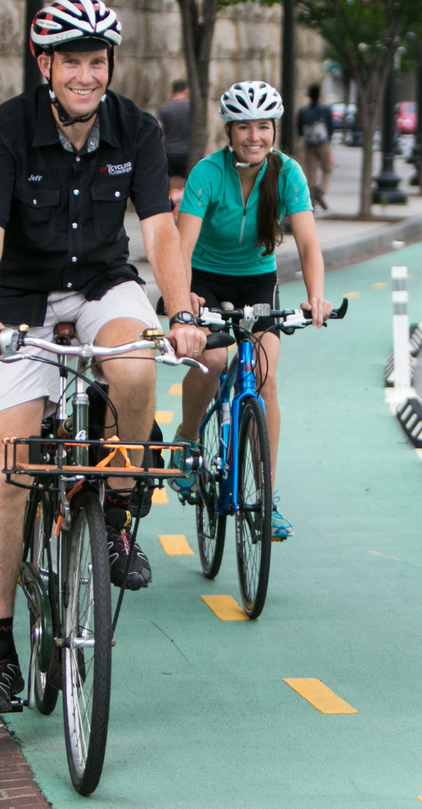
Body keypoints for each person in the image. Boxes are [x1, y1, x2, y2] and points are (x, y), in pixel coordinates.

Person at [0, 0, 207, 716]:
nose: (85, 75)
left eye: (96, 61)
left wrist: (181, 312)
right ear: (44, 65)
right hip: (22, 297)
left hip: (103, 283)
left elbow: (158, 228)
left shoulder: (138, 128)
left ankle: (118, 513)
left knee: (134, 365)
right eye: (70, 61)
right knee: (9, 469)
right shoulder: (8, 127)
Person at [170, 81, 332, 541]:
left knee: (263, 376)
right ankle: (187, 441)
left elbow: (308, 243)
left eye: (263, 126)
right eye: (244, 127)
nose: (254, 136)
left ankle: (266, 497)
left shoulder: (288, 174)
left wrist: (316, 296)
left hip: (257, 281)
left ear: (275, 130)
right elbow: (182, 247)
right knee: (212, 358)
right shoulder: (206, 173)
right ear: (229, 131)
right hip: (205, 279)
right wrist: (182, 299)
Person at [296, 84, 334, 210]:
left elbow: (300, 131)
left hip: (309, 144)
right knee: (327, 168)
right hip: (322, 143)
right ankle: (321, 190)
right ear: (319, 94)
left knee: (311, 173)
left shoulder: (303, 111)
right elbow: (330, 127)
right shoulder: (325, 110)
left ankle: (312, 202)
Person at [157, 78, 191, 207]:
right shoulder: (192, 108)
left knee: (168, 183)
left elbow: (157, 129)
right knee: (188, 182)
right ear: (186, 91)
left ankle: (170, 206)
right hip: (187, 151)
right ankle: (183, 207)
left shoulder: (164, 109)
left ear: (172, 90)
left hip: (169, 151)